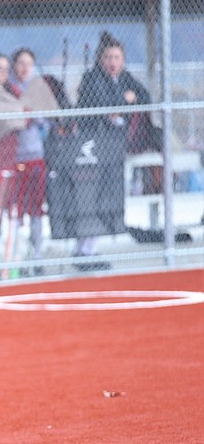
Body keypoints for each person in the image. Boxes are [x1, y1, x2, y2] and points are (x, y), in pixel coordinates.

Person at [0, 50, 59, 272]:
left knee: (13, 210)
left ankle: (15, 258)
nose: (4, 73)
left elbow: (30, 111)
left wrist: (21, 109)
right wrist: (19, 113)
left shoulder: (11, 90)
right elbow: (11, 115)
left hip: (8, 159)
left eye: (6, 69)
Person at [72, 31, 152, 268]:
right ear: (100, 59)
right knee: (90, 197)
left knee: (105, 197)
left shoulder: (124, 77)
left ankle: (89, 249)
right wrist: (123, 100)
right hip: (92, 146)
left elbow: (144, 96)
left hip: (112, 146)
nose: (113, 62)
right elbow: (103, 105)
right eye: (108, 57)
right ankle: (83, 252)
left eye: (117, 57)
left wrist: (124, 101)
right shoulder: (92, 77)